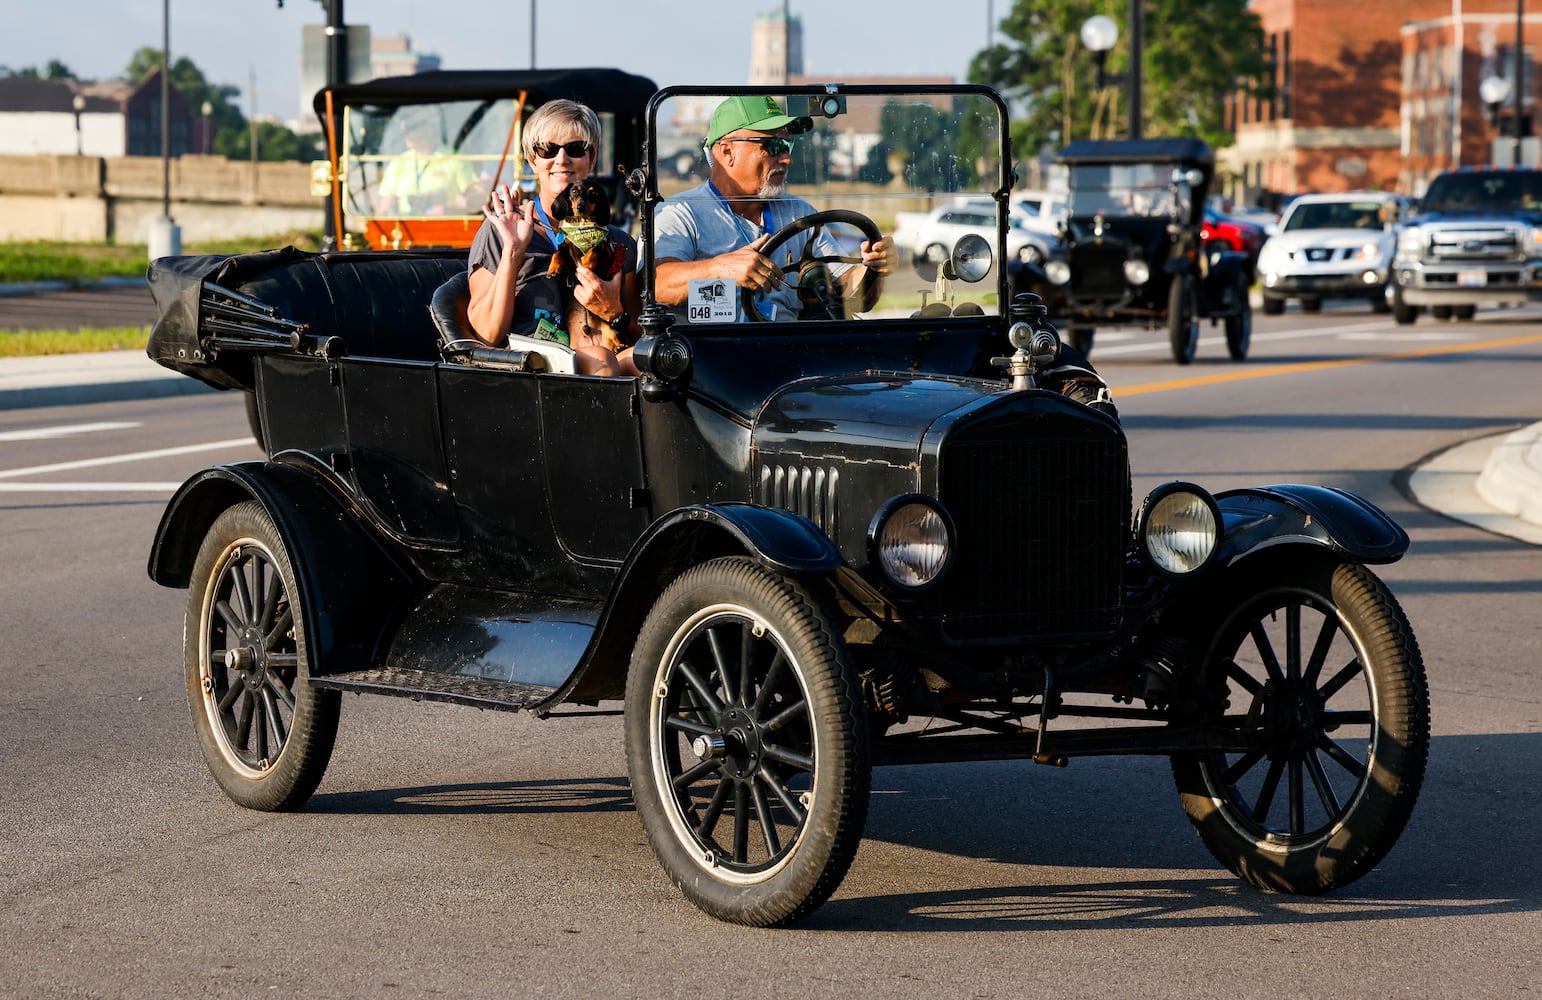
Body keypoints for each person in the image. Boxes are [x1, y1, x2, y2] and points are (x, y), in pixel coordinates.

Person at [654, 95, 897, 323]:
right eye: (772, 146)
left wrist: (874, 267)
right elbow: (655, 285)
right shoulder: (681, 213)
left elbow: (852, 295)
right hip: (710, 357)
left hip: (787, 353)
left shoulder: (799, 214)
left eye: (787, 146)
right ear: (727, 152)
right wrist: (720, 269)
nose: (786, 158)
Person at [466, 99, 641, 376]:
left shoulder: (618, 244)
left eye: (575, 148)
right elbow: (486, 335)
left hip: (601, 353)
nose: (561, 159)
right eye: (547, 149)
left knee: (648, 361)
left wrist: (613, 311)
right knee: (599, 359)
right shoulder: (501, 231)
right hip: (530, 366)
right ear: (532, 160)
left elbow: (639, 335)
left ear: (592, 158)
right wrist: (513, 251)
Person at [377, 118, 478, 217]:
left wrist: (449, 210)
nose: (406, 133)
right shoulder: (398, 162)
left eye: (412, 128)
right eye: (404, 129)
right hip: (405, 228)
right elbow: (383, 206)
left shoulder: (455, 158)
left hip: (447, 227)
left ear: (429, 130)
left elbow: (475, 202)